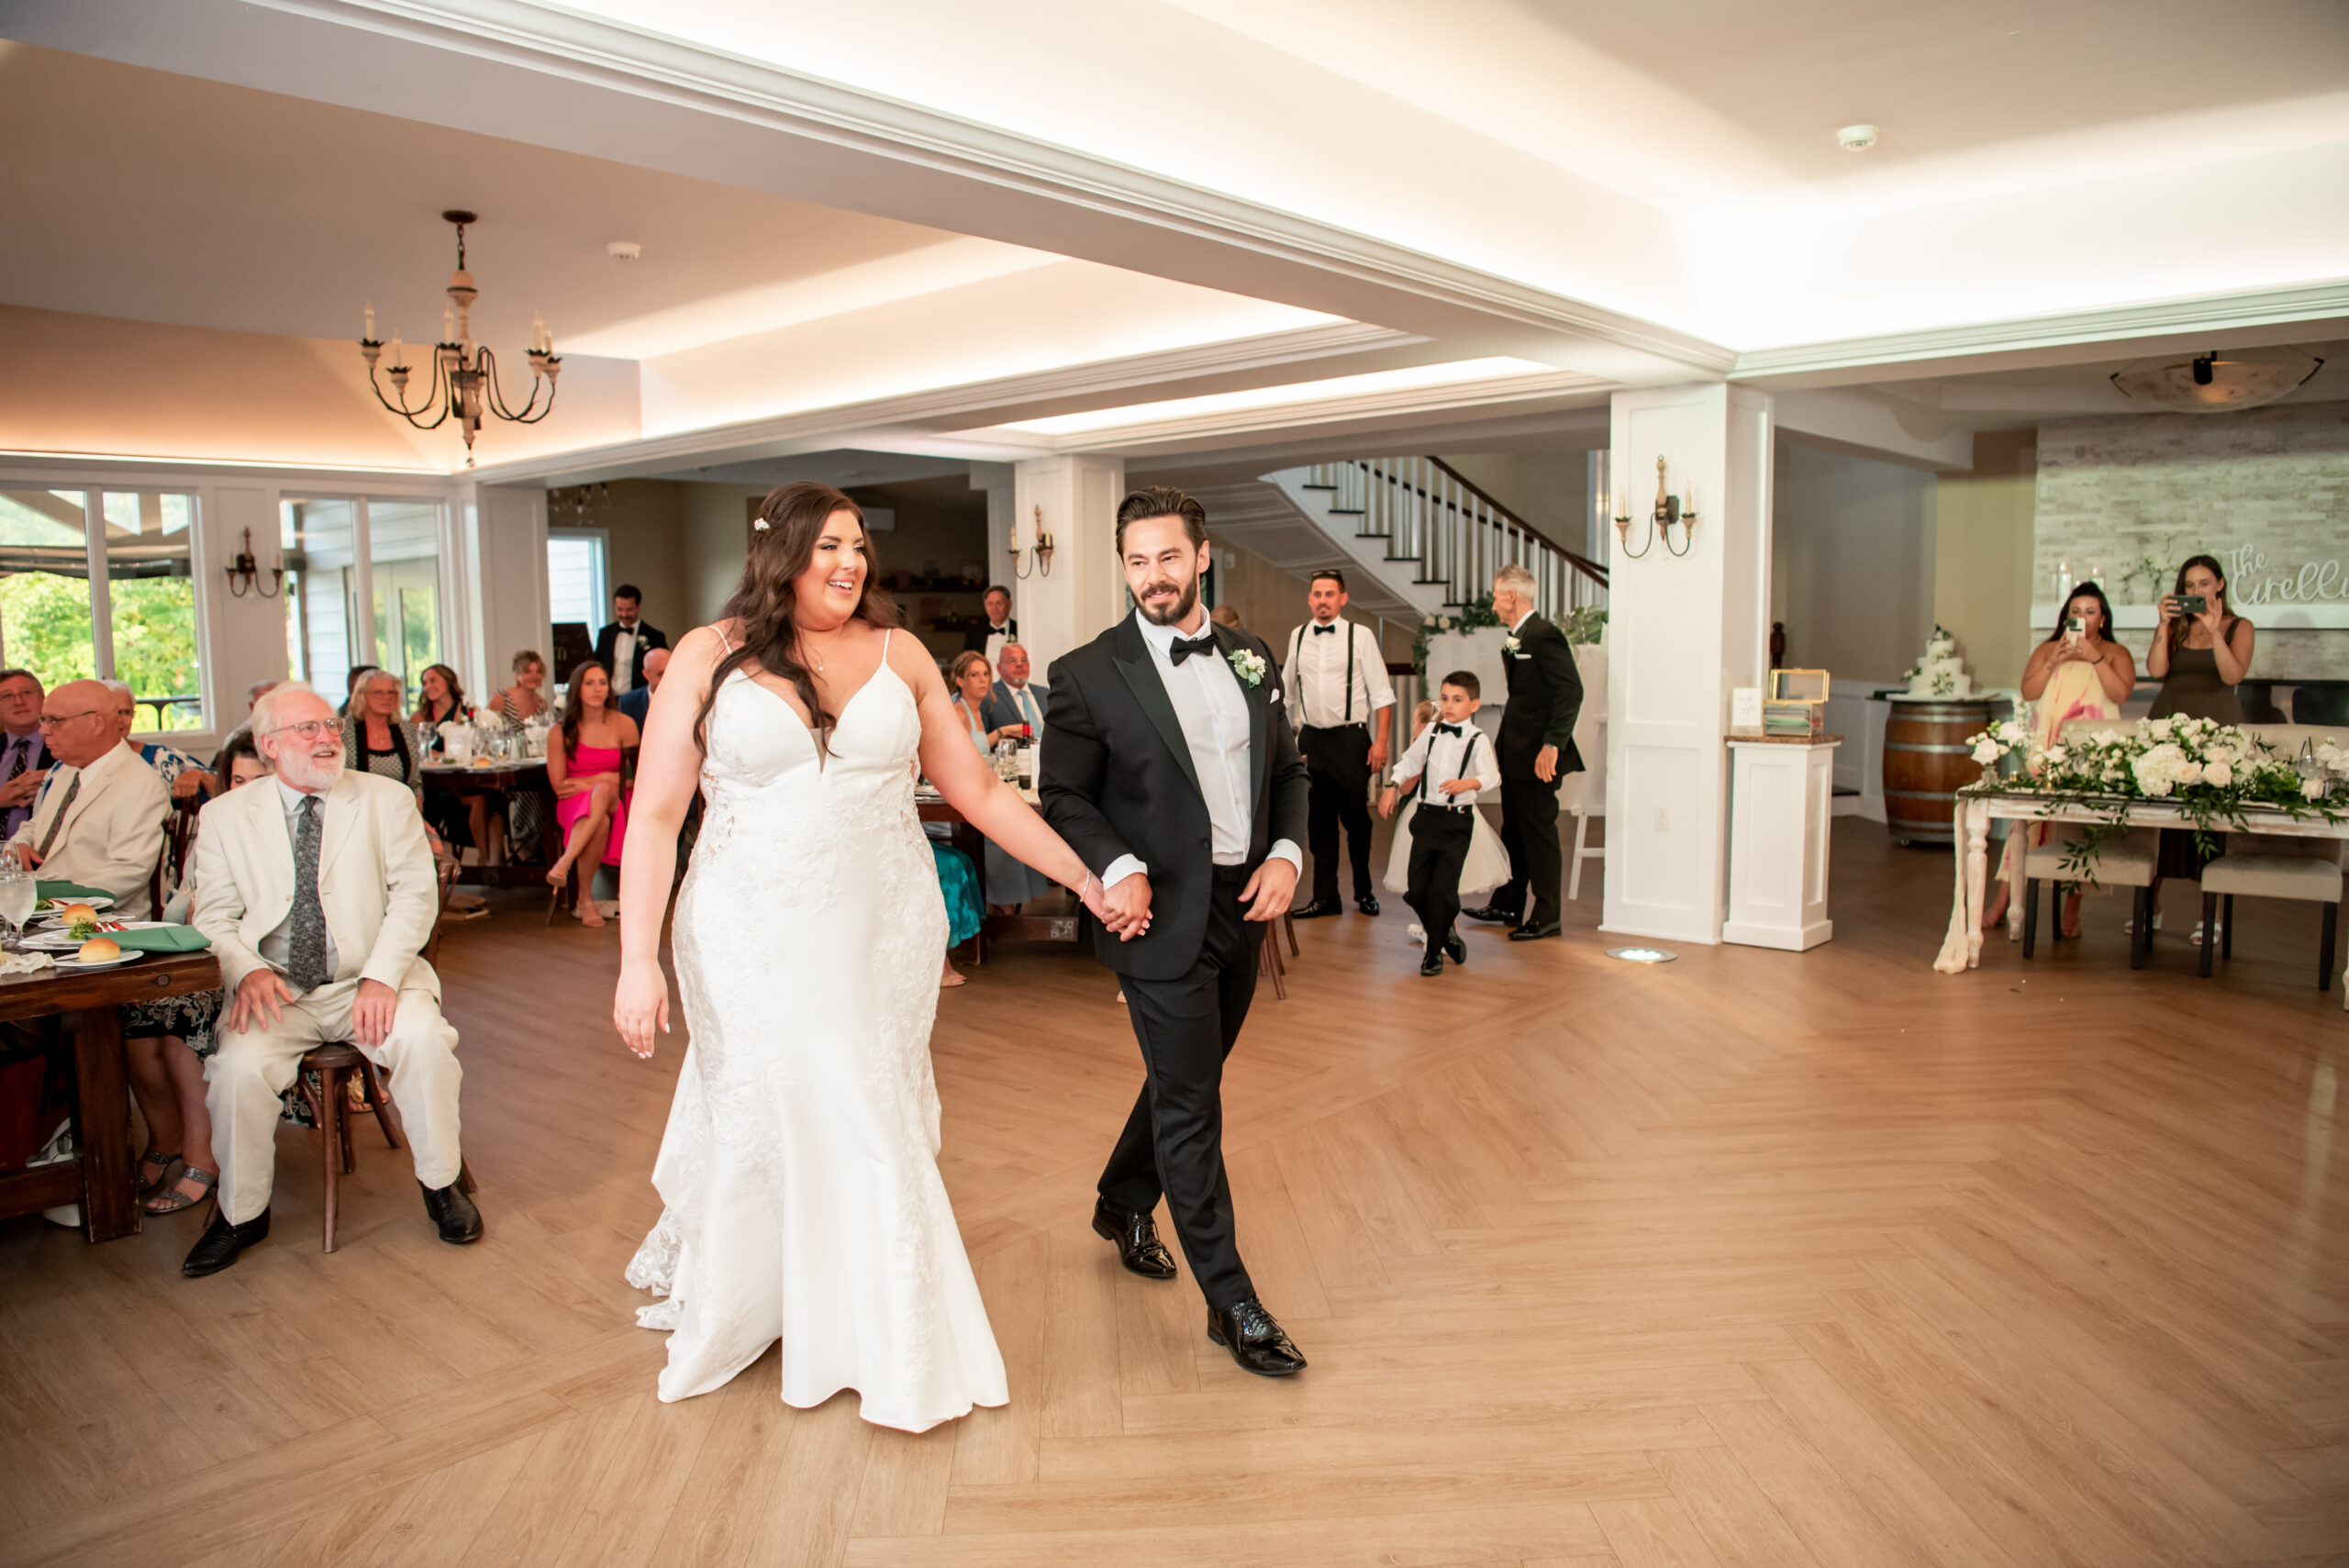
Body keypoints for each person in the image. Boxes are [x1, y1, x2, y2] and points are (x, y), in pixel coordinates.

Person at [612, 481, 1107, 1431]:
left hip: (881, 928)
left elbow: (981, 795)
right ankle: (775, 1300)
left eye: (856, 547)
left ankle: (870, 1319)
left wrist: (1083, 879)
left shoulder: (901, 652)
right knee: (775, 1105)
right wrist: (639, 959)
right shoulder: (708, 657)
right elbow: (658, 816)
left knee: (866, 1102)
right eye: (828, 545)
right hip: (746, 928)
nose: (848, 563)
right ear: (782, 554)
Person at [1041, 484, 1312, 1378]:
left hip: (1245, 907)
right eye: (1136, 561)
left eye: (1167, 557)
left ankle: (1122, 1198)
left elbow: (1289, 770)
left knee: (1186, 1076)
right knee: (1194, 1102)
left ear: (1201, 557)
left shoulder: (1252, 656)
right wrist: (1116, 864)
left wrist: (1286, 852)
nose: (1152, 576)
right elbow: (1064, 795)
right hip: (1156, 915)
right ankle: (1231, 1302)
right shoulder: (1086, 672)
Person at [181, 683, 480, 1277]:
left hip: (370, 977)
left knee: (424, 1040)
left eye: (330, 726)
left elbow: (415, 896)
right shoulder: (225, 816)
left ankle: (441, 1185)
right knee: (236, 1070)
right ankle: (242, 1213)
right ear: (269, 744)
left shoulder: (386, 798)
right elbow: (212, 918)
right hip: (277, 991)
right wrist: (246, 970)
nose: (326, 738)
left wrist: (382, 976)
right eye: (307, 729)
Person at [126, 730, 272, 1218]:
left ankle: (201, 1158)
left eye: (258, 779)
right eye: (237, 780)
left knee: (180, 1022)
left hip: (261, 968)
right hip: (206, 955)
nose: (245, 790)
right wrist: (194, 908)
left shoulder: (291, 830)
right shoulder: (217, 822)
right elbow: (182, 898)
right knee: (133, 1018)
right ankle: (163, 1138)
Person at [1980, 583, 2135, 937]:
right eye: (2075, 612)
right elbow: (2029, 691)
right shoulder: (2048, 649)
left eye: (2090, 612)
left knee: (2079, 826)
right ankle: (2002, 902)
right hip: (2047, 745)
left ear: (2103, 618)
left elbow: (2120, 693)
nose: (2082, 618)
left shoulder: (2115, 652)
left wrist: (2093, 657)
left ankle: (2072, 910)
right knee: (2027, 824)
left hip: (2090, 750)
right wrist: (2053, 661)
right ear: (2066, 617)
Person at [1464, 563, 1584, 941]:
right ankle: (1508, 903)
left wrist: (1552, 744)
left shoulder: (1544, 634)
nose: (1493, 604)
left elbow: (1571, 692)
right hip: (1516, 752)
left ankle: (1547, 915)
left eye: (1496, 596)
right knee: (1514, 831)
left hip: (1537, 756)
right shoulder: (1520, 636)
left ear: (1511, 596)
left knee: (1539, 835)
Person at [2145, 554, 2258, 940]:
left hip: (2217, 734)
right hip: (2169, 730)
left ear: (2220, 585)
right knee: (2161, 822)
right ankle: (2151, 908)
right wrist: (2163, 624)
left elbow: (2233, 674)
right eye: (2190, 586)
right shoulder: (2176, 626)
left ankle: (2211, 917)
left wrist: (2213, 632)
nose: (2197, 591)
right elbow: (2156, 670)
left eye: (2204, 584)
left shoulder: (2240, 627)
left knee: (2213, 823)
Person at [1282, 569, 1394, 919]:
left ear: (1343, 598)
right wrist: (1283, 740)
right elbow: (1286, 694)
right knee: (1319, 825)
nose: (1323, 601)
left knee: (1358, 822)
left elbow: (1382, 694)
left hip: (1350, 739)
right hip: (1312, 739)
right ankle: (1325, 898)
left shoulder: (1360, 636)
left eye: (1329, 594)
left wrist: (1381, 741)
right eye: (1317, 594)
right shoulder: (1298, 635)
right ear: (1310, 599)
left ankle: (1364, 891)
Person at [7, 679, 169, 918]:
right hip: (42, 912)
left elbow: (128, 871)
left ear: (97, 722)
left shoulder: (140, 783)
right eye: (44, 720)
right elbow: (38, 824)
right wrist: (20, 843)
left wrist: (49, 902)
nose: (43, 730)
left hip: (98, 922)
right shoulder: (67, 768)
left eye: (54, 721)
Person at [1379, 674, 1508, 972]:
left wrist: (1468, 783)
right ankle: (1446, 931)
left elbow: (1492, 776)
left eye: (1457, 700)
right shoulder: (1432, 732)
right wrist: (1391, 786)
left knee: (1442, 891)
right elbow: (1409, 761)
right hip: (1426, 819)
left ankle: (1433, 954)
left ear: (1474, 705)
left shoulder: (1478, 739)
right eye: (1445, 698)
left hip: (1456, 822)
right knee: (1416, 891)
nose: (1449, 705)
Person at [948, 649, 1051, 913]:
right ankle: (1002, 906)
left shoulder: (977, 711)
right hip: (961, 795)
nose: (983, 680)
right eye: (974, 675)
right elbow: (959, 755)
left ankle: (1009, 905)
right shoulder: (958, 712)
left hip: (981, 789)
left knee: (1022, 817)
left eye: (985, 674)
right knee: (1006, 827)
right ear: (959, 680)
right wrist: (1003, 732)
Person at [547, 660, 639, 929]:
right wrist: (603, 782)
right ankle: (585, 900)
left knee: (604, 790)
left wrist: (597, 780)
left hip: (621, 797)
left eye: (602, 683)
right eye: (589, 683)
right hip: (575, 802)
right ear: (577, 689)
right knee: (600, 823)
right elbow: (560, 786)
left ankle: (565, 862)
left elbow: (637, 777)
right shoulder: (560, 731)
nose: (598, 689)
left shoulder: (625, 724)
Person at [487, 651, 553, 860]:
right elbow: (487, 732)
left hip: (532, 765)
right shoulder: (502, 699)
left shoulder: (542, 704)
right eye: (528, 671)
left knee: (545, 788)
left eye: (538, 671)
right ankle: (522, 844)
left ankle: (541, 843)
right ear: (518, 674)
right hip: (505, 769)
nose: (534, 676)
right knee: (529, 792)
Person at [106, 682, 214, 801]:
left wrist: (198, 774)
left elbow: (224, 783)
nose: (120, 720)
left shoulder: (160, 758)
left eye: (126, 712)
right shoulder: (89, 765)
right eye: (114, 712)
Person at [0, 668, 50, 840]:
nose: (18, 701)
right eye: (7, 696)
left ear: (43, 698)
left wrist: (52, 782)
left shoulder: (68, 746)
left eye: (26, 693)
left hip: (46, 850)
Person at [595, 584, 669, 696]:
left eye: (629, 610)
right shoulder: (605, 634)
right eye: (620, 609)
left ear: (638, 606)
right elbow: (598, 665)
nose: (624, 614)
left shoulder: (655, 637)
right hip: (609, 698)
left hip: (638, 698)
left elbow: (663, 672)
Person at [206, 679, 277, 774]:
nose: (270, 707)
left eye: (274, 701)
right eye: (263, 703)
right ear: (252, 706)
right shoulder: (238, 736)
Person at [979, 642, 1047, 740]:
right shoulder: (988, 695)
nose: (1020, 664)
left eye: (1024, 660)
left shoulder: (1045, 694)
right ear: (999, 668)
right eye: (1012, 660)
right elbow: (981, 741)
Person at [962, 584, 1017, 664]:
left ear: (1009, 605)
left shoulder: (1019, 629)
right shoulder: (974, 633)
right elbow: (967, 663)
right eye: (990, 604)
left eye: (999, 603)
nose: (994, 608)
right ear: (985, 606)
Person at [617, 646, 669, 728]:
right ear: (646, 674)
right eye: (661, 674)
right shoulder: (628, 703)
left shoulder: (687, 698)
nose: (668, 678)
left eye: (670, 672)